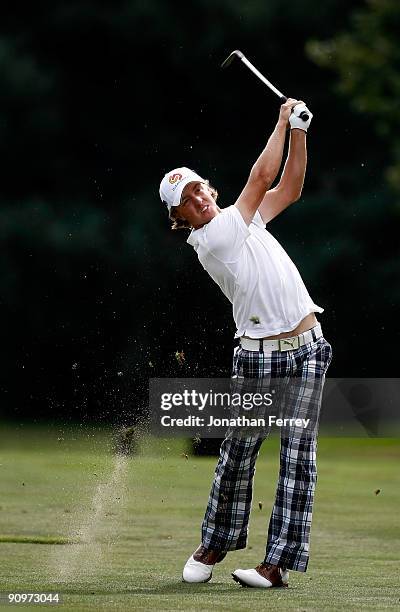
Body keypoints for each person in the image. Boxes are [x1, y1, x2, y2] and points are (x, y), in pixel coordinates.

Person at [159, 99, 333, 589]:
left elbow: (290, 187)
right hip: (256, 358)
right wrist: (280, 120)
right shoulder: (211, 239)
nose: (197, 200)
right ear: (181, 219)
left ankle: (274, 565)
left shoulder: (243, 220)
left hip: (308, 348)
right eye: (186, 202)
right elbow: (260, 180)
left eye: (198, 189)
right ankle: (214, 542)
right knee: (240, 450)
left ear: (208, 188)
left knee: (299, 453)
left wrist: (299, 132)